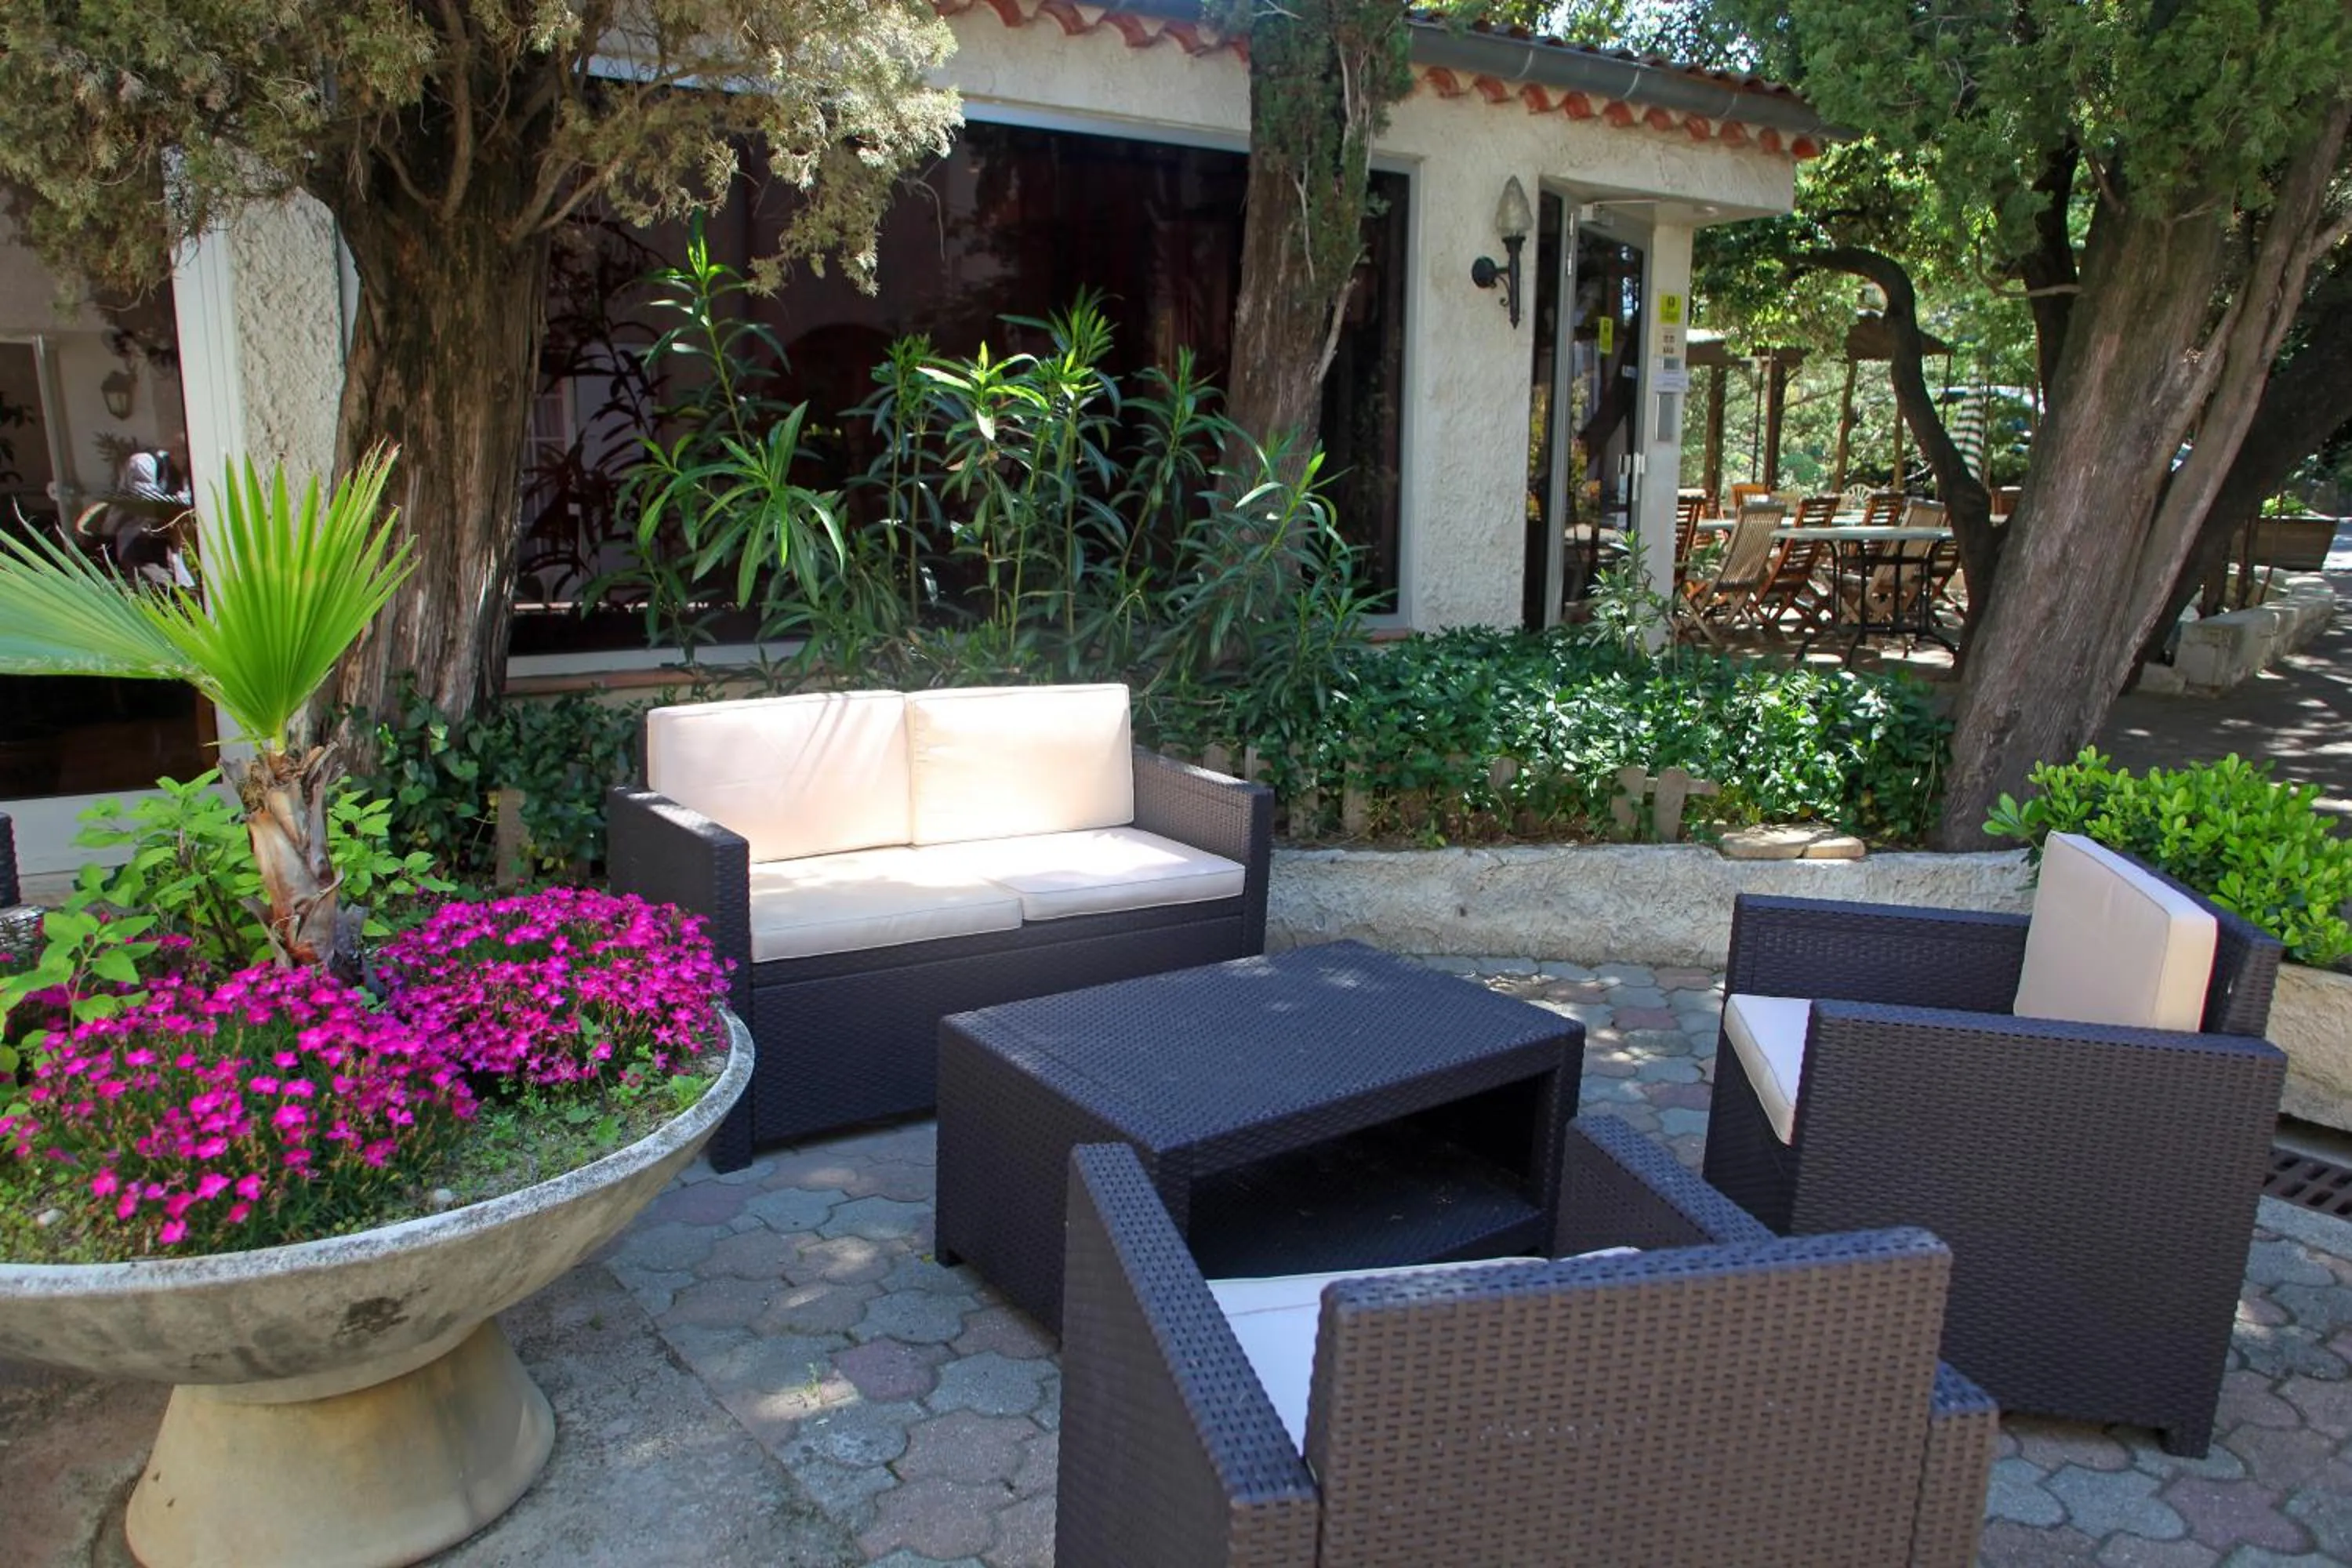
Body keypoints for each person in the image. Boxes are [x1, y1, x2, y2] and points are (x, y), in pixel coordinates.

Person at [93, 437, 194, 585]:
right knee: (161, 585)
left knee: (185, 586)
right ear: (175, 451)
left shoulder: (183, 474)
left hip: (166, 542)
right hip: (133, 537)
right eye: (186, 457)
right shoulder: (143, 463)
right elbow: (149, 504)